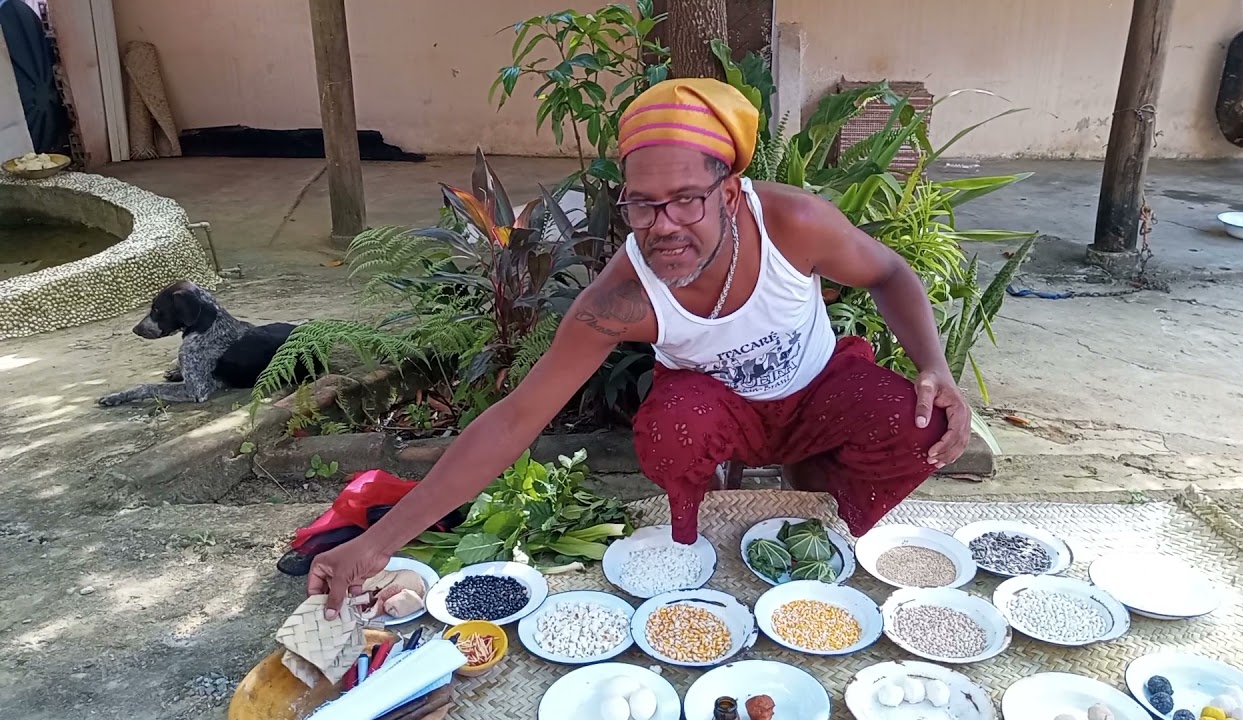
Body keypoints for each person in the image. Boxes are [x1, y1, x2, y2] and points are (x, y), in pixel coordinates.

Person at [307, 78, 971, 618]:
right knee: (674, 425)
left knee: (927, 421)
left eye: (687, 199)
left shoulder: (793, 226)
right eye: (644, 205)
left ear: (731, 191)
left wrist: (934, 367)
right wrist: (379, 541)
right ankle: (697, 534)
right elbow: (515, 418)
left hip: (816, 392)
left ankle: (812, 509)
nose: (665, 226)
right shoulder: (620, 300)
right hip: (720, 417)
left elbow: (888, 272)